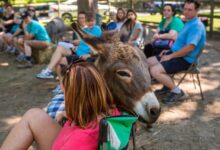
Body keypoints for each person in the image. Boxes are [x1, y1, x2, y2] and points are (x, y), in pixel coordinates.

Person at [1, 62, 121, 150]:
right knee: (34, 115)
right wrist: (67, 114)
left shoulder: (78, 141)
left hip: (68, 143)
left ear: (73, 99)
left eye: (64, 94)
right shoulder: (110, 110)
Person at [147, 0, 206, 104]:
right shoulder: (188, 22)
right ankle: (167, 86)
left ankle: (178, 92)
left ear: (197, 10)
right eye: (185, 9)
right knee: (148, 62)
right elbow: (180, 42)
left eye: (190, 10)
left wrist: (170, 56)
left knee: (154, 70)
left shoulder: (196, 26)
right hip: (176, 54)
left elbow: (190, 47)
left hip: (186, 60)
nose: (186, 12)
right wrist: (169, 51)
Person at [36, 12, 102, 79]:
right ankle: (48, 70)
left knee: (60, 60)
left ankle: (61, 81)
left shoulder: (97, 29)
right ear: (86, 22)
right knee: (60, 47)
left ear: (95, 21)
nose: (90, 23)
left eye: (92, 21)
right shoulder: (84, 30)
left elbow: (98, 45)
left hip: (83, 55)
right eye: (88, 21)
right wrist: (75, 47)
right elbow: (82, 43)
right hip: (77, 51)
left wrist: (89, 55)